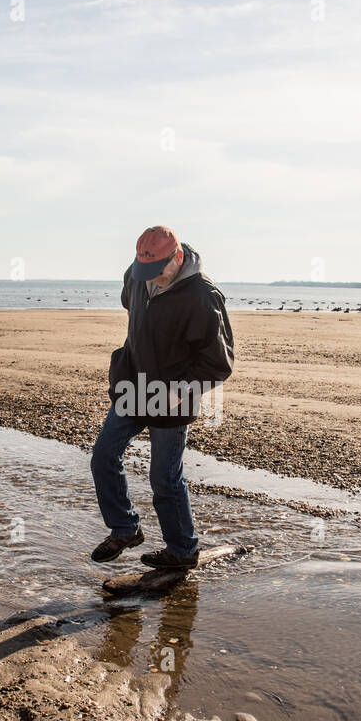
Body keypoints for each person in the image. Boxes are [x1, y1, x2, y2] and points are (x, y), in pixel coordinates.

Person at [90, 225, 234, 568]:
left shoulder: (203, 296)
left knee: (164, 479)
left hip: (173, 396)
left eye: (159, 271)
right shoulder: (136, 276)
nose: (151, 278)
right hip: (133, 384)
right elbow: (133, 307)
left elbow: (220, 362)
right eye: (145, 271)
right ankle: (125, 527)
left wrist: (181, 389)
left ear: (178, 258)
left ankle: (183, 550)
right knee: (103, 456)